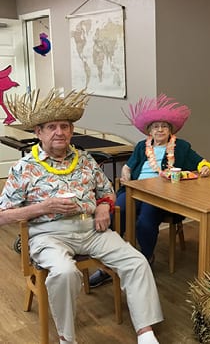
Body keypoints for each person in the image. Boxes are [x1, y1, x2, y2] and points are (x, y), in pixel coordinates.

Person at [0, 88, 163, 344]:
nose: (59, 132)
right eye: (51, 127)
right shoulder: (24, 168)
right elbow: (3, 216)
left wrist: (103, 207)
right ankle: (67, 338)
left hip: (91, 231)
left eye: (64, 126)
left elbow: (107, 190)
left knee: (137, 261)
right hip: (48, 236)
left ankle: (146, 331)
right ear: (38, 132)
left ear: (72, 131)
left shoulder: (85, 160)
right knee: (65, 272)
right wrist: (42, 207)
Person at [89, 94, 210, 287]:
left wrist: (206, 167)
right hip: (136, 189)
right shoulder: (142, 146)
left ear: (170, 129)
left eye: (164, 126)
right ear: (149, 130)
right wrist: (125, 175)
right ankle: (109, 263)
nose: (160, 130)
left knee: (145, 220)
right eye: (155, 126)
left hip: (162, 195)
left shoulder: (181, 147)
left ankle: (145, 258)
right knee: (117, 212)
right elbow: (128, 167)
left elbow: (202, 163)